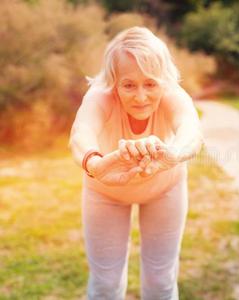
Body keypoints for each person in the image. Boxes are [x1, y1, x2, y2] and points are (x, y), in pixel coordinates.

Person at [69, 26, 203, 299]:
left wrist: (173, 155)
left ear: (163, 81)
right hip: (105, 191)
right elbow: (80, 133)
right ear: (114, 82)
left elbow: (192, 131)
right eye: (129, 85)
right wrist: (95, 164)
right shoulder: (99, 97)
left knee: (161, 280)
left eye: (150, 84)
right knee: (105, 283)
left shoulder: (173, 96)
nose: (141, 97)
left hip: (165, 189)